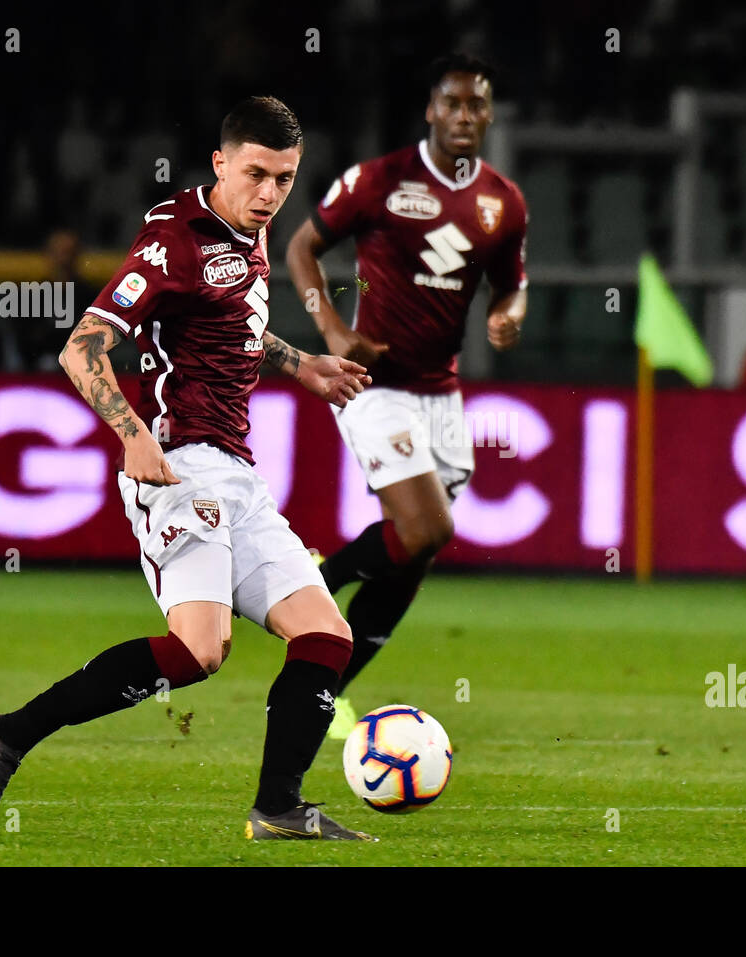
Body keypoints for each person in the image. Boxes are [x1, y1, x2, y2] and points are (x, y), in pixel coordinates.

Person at [0, 96, 379, 842]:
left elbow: (232, 321)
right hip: (177, 465)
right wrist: (131, 435)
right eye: (256, 174)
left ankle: (279, 806)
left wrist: (301, 361)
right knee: (199, 649)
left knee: (325, 635)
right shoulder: (171, 239)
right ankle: (9, 734)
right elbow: (80, 347)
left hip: (237, 471)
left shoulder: (249, 229)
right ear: (220, 162)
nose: (270, 193)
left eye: (284, 179)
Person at [285, 54, 527, 737]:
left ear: (487, 115)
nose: (462, 116)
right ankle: (314, 581)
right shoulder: (381, 179)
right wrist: (332, 327)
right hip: (373, 383)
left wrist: (510, 312)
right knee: (429, 530)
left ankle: (323, 691)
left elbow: (512, 281)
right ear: (430, 110)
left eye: (476, 106)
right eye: (451, 104)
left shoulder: (502, 201)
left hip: (440, 394)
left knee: (411, 556)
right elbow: (301, 247)